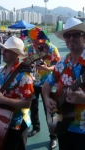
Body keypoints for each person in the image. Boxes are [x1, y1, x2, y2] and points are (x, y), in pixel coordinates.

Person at [42, 17, 85, 150]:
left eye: (76, 34)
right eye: (67, 35)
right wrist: (47, 99)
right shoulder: (62, 63)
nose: (71, 38)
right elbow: (46, 86)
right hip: (64, 126)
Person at [24, 27, 61, 149]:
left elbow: (58, 67)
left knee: (50, 110)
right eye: (33, 41)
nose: (34, 44)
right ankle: (36, 127)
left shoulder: (52, 49)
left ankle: (53, 136)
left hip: (48, 84)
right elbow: (25, 62)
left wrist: (46, 68)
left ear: (43, 39)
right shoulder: (30, 48)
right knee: (33, 107)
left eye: (37, 41)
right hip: (33, 83)